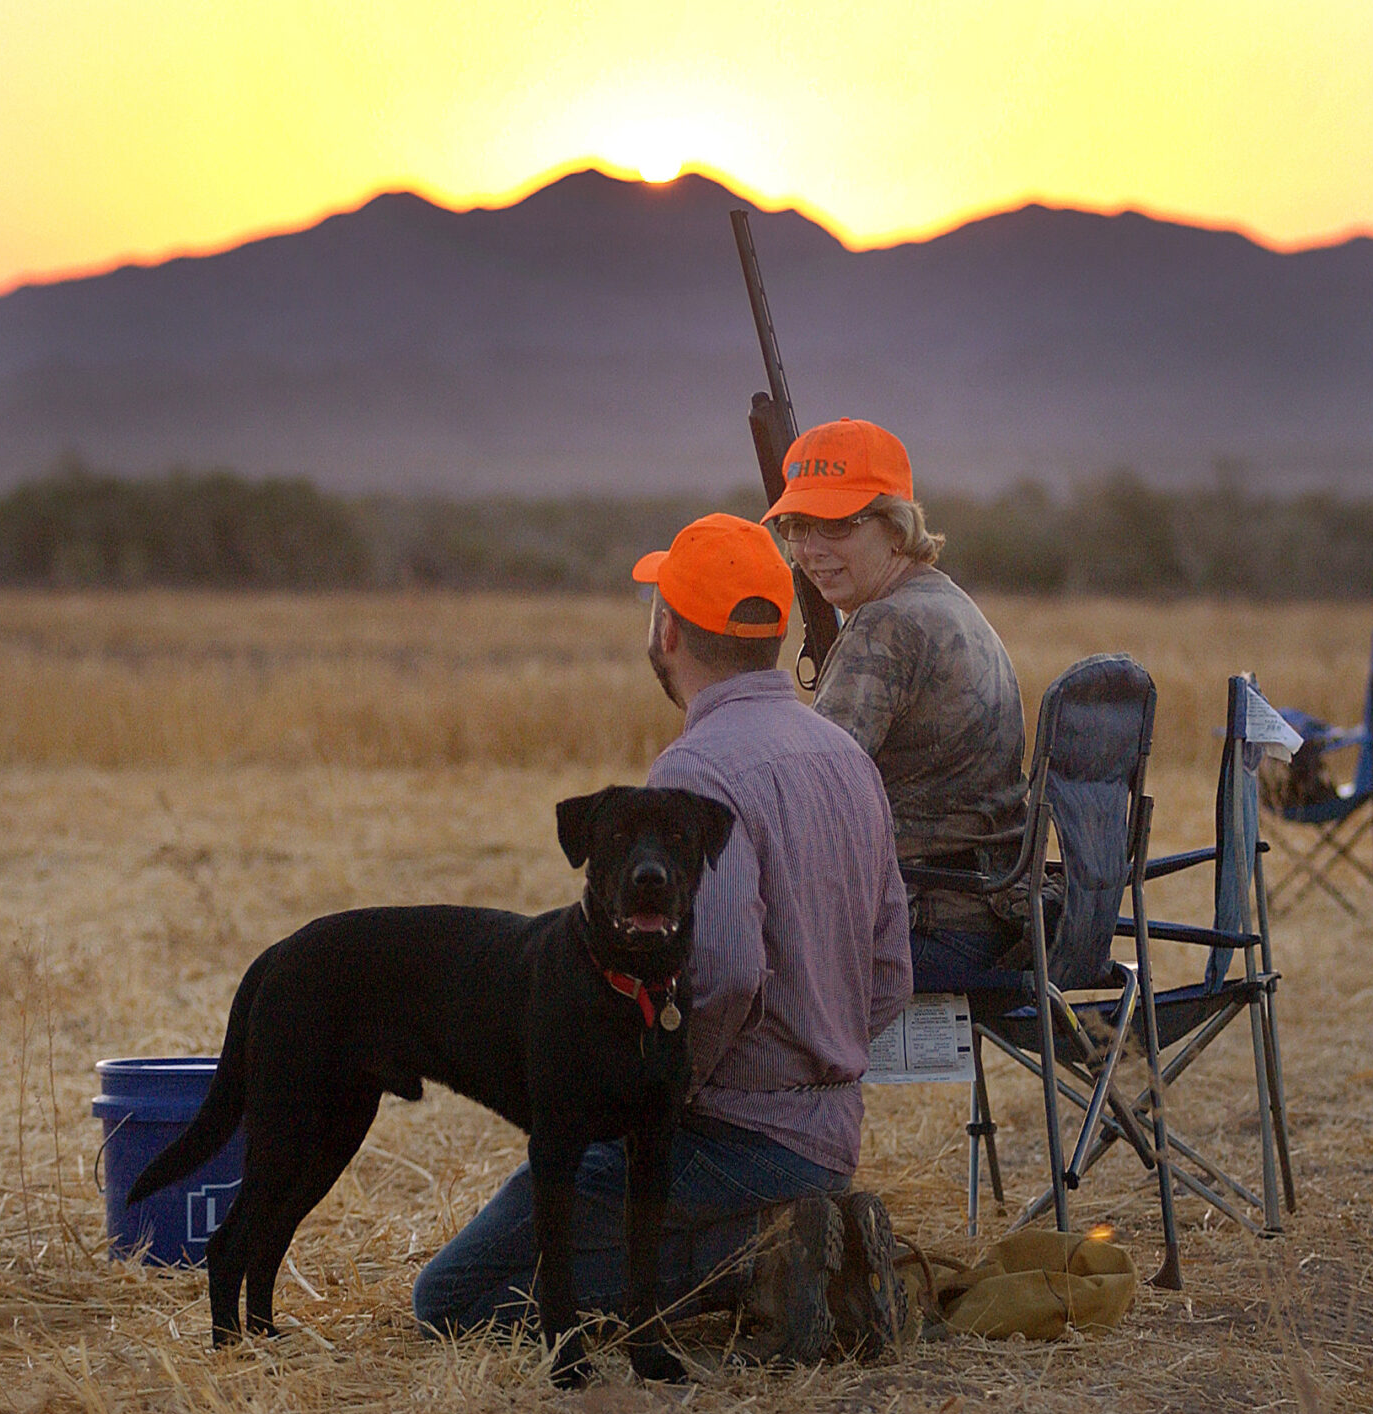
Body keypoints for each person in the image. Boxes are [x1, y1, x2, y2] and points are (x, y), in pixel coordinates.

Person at [413, 512, 912, 1363]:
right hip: (830, 1138)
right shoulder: (842, 754)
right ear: (776, 628)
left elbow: (718, 975)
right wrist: (815, 1068)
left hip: (726, 1140)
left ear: (668, 629)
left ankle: (759, 1262)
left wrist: (666, 1097)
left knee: (454, 1296)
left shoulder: (696, 772)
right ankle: (798, 1232)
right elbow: (892, 970)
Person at [762, 418, 1038, 992]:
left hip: (931, 931)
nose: (810, 550)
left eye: (836, 525)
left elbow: (808, 799)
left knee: (723, 963)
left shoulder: (885, 624)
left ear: (895, 527)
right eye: (794, 525)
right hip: (992, 918)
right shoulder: (945, 601)